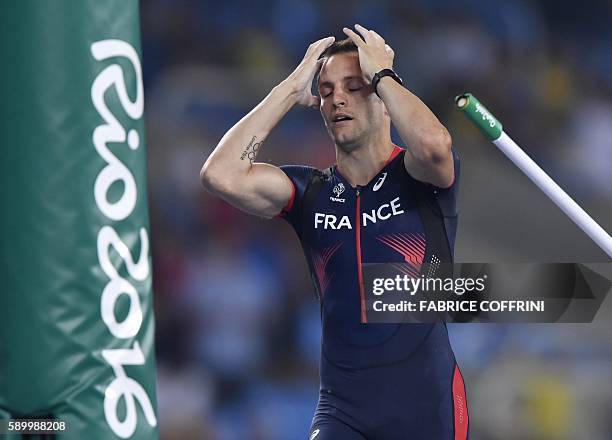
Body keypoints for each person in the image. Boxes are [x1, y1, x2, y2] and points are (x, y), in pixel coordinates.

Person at [200, 24, 468, 440]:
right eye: (326, 90)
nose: (337, 98)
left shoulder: (416, 175)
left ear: (382, 97)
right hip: (342, 411)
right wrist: (291, 88)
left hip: (426, 408)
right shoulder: (310, 193)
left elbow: (435, 145)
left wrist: (382, 75)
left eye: (354, 86)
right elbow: (220, 175)